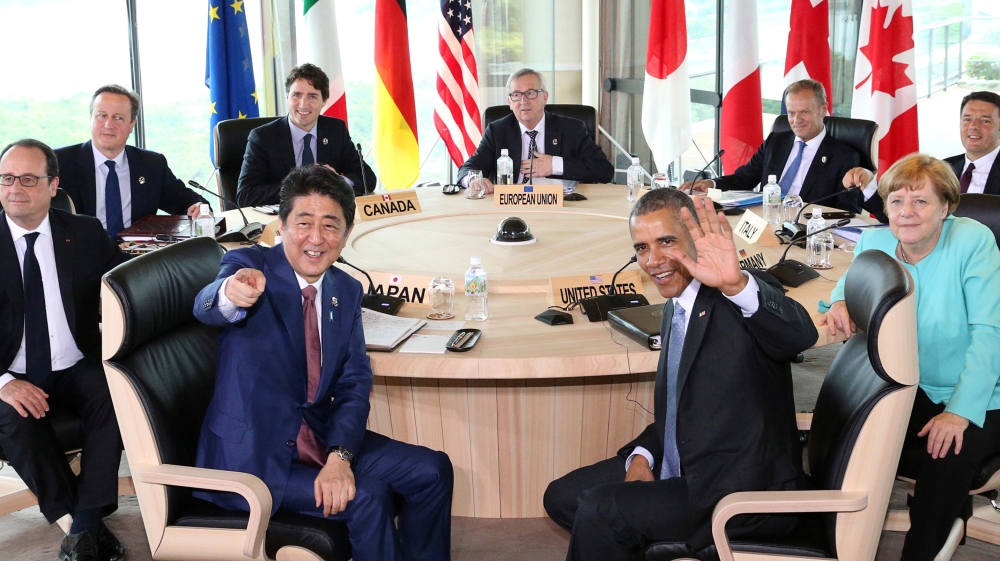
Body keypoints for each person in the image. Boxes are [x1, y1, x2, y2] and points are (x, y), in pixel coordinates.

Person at [192, 165, 452, 561]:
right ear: (281, 225)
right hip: (251, 457)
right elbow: (210, 305)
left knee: (432, 470)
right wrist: (230, 292)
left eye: (331, 226)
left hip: (315, 436)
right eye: (303, 223)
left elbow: (354, 382)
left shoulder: (345, 289)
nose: (316, 239)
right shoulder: (249, 266)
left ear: (346, 235)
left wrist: (340, 457)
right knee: (368, 496)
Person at [543, 188, 818, 560]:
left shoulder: (737, 296)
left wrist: (737, 285)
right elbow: (679, 409)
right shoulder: (676, 306)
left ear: (697, 239)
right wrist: (642, 457)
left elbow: (799, 333)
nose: (653, 260)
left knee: (601, 509)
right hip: (684, 464)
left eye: (667, 242)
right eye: (642, 248)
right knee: (561, 497)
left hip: (737, 488)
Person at [821, 153, 1000, 561]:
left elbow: (990, 335)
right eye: (897, 201)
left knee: (946, 454)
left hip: (983, 391)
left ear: (945, 207)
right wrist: (840, 302)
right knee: (847, 436)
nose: (906, 212)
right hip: (911, 385)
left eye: (920, 201)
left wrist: (959, 411)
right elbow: (848, 287)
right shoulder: (875, 241)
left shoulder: (971, 240)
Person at [0, 140, 130, 561]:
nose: (15, 188)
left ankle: (84, 527)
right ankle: (83, 523)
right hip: (8, 373)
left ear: (53, 185)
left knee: (114, 394)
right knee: (17, 419)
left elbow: (126, 285)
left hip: (72, 365)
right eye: (6, 178)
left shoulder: (85, 232)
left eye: (28, 179)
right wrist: (3, 383)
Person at [684, 79, 883, 220]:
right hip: (761, 223)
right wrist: (710, 183)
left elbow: (847, 210)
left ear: (823, 110)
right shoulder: (776, 141)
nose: (796, 120)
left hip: (802, 232)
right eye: (791, 113)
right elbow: (743, 179)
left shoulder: (844, 156)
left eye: (804, 112)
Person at [54, 85, 209, 237]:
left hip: (137, 256)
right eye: (102, 116)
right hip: (81, 256)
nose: (108, 125)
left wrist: (199, 208)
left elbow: (185, 201)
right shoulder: (59, 163)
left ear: (131, 125)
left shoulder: (151, 164)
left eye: (118, 118)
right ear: (91, 119)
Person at [237, 63, 376, 205]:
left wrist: (335, 181)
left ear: (324, 101)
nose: (303, 104)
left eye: (312, 96)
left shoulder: (335, 130)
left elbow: (368, 179)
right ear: (287, 98)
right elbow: (246, 195)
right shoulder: (263, 137)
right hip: (282, 220)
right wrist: (305, 185)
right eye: (296, 95)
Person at [457, 68, 614, 194]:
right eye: (517, 95)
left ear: (545, 97)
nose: (523, 101)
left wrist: (555, 165)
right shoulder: (497, 130)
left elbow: (604, 170)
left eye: (531, 93)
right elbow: (468, 168)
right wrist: (473, 180)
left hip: (560, 207)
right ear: (509, 102)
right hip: (512, 206)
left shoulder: (571, 129)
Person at [844, 91, 1000, 196]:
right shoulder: (943, 168)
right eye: (967, 119)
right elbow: (902, 212)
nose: (973, 126)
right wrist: (868, 182)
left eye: (985, 121)